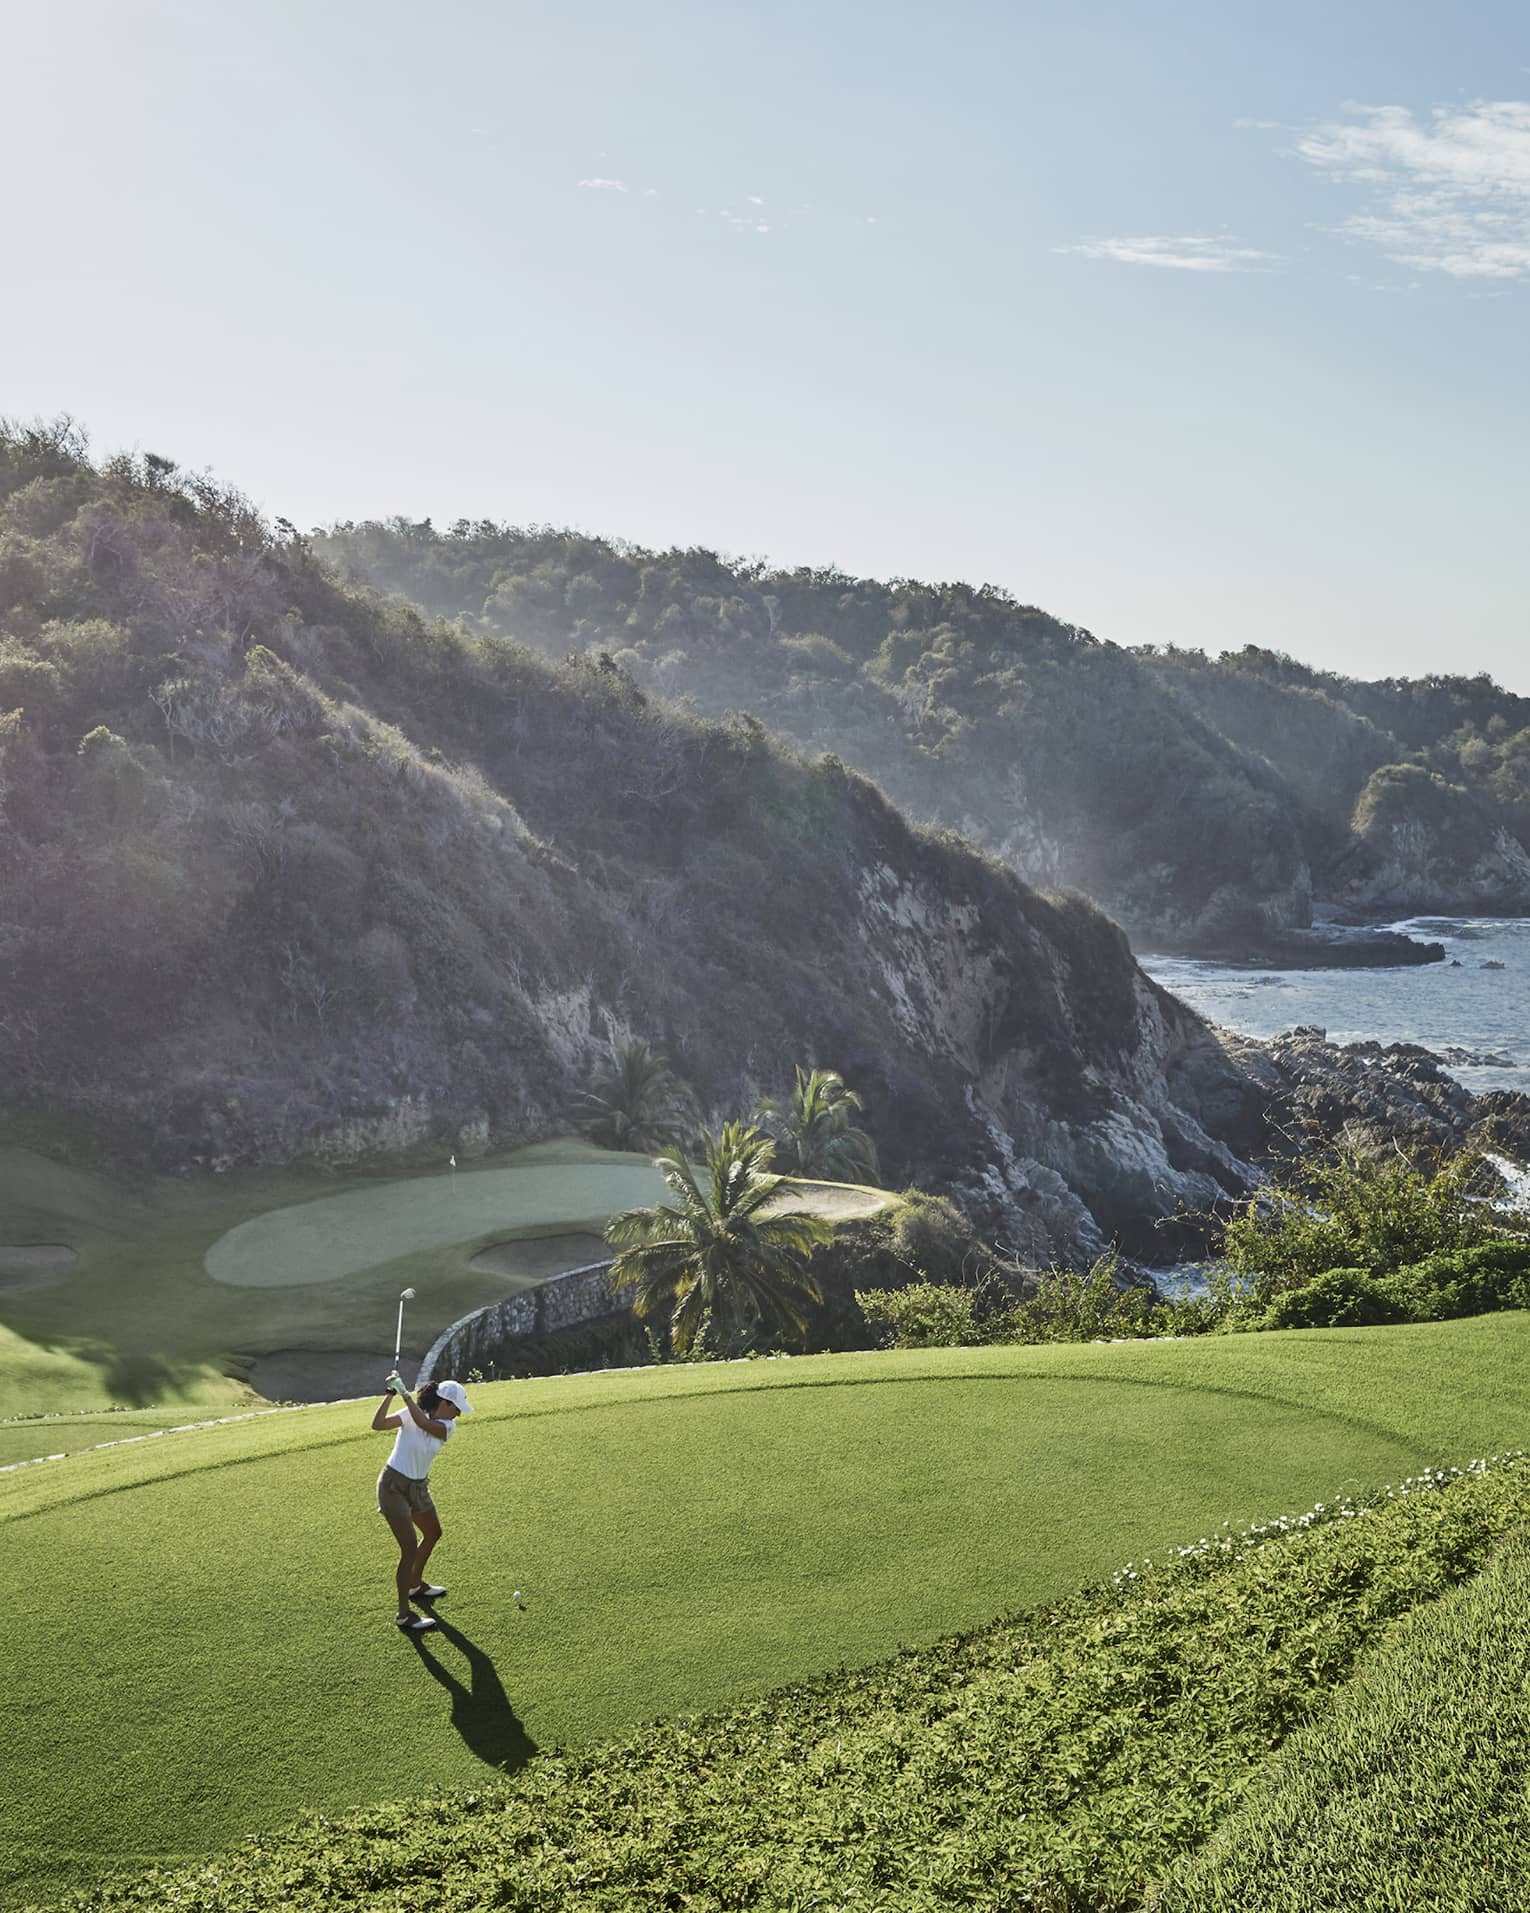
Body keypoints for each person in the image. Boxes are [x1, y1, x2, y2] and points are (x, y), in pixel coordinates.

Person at [373, 1373, 473, 1632]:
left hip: (417, 1487)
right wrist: (390, 1395)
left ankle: (415, 1584)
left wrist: (405, 1394)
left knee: (433, 1532)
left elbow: (424, 1423)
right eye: (457, 1409)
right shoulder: (409, 1414)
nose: (459, 1415)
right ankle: (404, 1614)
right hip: (392, 1487)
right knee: (408, 1551)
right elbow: (378, 1424)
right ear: (445, 1403)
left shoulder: (447, 1427)